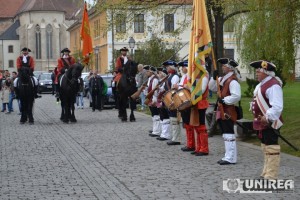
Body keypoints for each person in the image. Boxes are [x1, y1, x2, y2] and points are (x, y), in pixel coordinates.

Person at [250, 60, 283, 180]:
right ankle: (265, 173)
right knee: (265, 147)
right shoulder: (263, 84)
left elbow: (277, 106)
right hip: (262, 121)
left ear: (266, 72)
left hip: (270, 122)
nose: (256, 73)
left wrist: (268, 116)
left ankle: (271, 176)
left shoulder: (273, 85)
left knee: (272, 148)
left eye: (258, 71)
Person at [209, 58, 241, 165]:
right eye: (222, 66)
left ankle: (231, 157)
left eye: (224, 66)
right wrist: (214, 78)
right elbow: (212, 88)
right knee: (225, 133)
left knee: (229, 133)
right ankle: (228, 156)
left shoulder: (232, 81)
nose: (222, 67)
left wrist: (224, 100)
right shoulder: (223, 79)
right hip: (222, 109)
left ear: (230, 68)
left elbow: (236, 96)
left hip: (228, 109)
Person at [162, 60, 181, 145]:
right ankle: (174, 137)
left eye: (167, 66)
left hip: (172, 99)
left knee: (174, 119)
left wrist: (173, 100)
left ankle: (176, 139)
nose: (166, 68)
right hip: (169, 99)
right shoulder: (169, 76)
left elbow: (174, 89)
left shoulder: (175, 77)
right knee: (171, 119)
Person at [156, 67, 172, 141]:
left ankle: (166, 134)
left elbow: (167, 90)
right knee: (162, 117)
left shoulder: (166, 82)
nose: (158, 74)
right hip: (162, 100)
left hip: (166, 100)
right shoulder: (163, 82)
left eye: (159, 73)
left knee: (165, 117)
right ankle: (163, 133)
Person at [145, 66, 161, 137]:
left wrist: (154, 100)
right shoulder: (150, 79)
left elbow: (155, 92)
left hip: (153, 99)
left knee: (156, 115)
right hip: (150, 98)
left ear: (151, 72)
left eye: (148, 71)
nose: (146, 72)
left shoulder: (154, 80)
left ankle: (157, 131)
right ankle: (155, 129)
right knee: (153, 115)